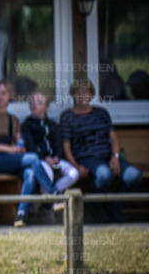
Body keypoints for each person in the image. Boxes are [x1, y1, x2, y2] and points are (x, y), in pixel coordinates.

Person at [60, 79, 144, 221]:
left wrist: (115, 157)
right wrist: (76, 166)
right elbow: (66, 146)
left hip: (108, 156)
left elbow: (113, 138)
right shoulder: (67, 117)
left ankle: (114, 206)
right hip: (87, 157)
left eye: (85, 92)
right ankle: (94, 207)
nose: (82, 95)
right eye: (78, 92)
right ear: (73, 95)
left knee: (134, 176)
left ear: (91, 95)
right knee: (105, 176)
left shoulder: (102, 113)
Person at [0, 79, 56, 227]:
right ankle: (53, 193)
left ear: (9, 96)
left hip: (11, 160)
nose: (0, 96)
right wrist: (10, 150)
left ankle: (21, 214)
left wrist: (19, 148)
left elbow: (18, 142)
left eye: (4, 93)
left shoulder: (13, 119)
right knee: (33, 158)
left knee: (30, 173)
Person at [21, 90, 78, 214]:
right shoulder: (27, 125)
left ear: (46, 107)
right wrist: (45, 158)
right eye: (32, 102)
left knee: (73, 173)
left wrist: (57, 157)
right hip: (41, 163)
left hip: (55, 163)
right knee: (48, 174)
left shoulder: (53, 125)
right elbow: (30, 147)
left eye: (39, 102)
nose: (34, 105)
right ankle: (53, 201)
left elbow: (58, 143)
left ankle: (45, 201)